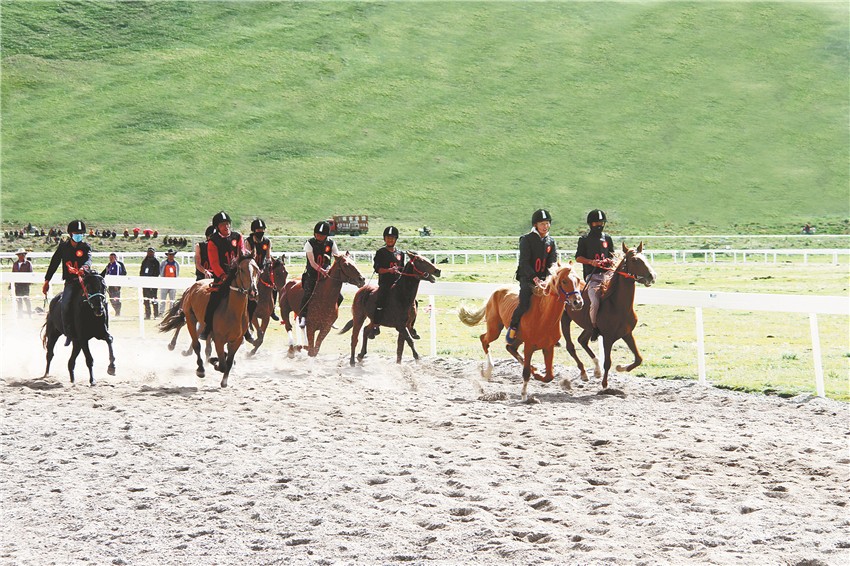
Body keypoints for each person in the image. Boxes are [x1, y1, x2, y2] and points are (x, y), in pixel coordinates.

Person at [506, 209, 557, 345]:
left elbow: (552, 263)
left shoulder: (551, 241)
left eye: (547, 223)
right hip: (527, 278)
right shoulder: (526, 239)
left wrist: (547, 279)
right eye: (542, 224)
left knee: (556, 302)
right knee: (524, 304)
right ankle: (513, 327)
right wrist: (535, 279)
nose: (545, 226)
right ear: (535, 225)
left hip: (545, 279)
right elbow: (524, 263)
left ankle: (551, 332)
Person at [198, 211, 249, 341]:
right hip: (222, 277)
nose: (226, 227)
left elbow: (241, 253)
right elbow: (214, 263)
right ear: (217, 227)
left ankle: (246, 329)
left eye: (227, 224)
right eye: (222, 225)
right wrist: (223, 276)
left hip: (237, 275)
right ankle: (208, 327)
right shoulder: (213, 242)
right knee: (214, 300)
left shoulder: (238, 237)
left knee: (251, 297)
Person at [42, 220, 92, 346]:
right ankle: (69, 331)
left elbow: (88, 260)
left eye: (81, 233)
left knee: (97, 299)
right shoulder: (63, 247)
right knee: (65, 304)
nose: (79, 235)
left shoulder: (85, 247)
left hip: (84, 282)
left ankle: (99, 327)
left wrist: (84, 268)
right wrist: (47, 280)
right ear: (70, 234)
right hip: (70, 282)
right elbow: (54, 263)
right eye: (76, 233)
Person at [575, 209, 615, 340]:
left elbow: (612, 255)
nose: (599, 225)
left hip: (607, 275)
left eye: (601, 223)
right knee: (595, 301)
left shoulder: (607, 238)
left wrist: (609, 261)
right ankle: (594, 327)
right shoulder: (584, 239)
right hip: (593, 276)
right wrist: (591, 262)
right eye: (596, 223)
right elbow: (578, 258)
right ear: (590, 224)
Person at [298, 221, 341, 329]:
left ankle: (330, 317)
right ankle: (303, 317)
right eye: (317, 234)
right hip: (312, 274)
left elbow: (337, 257)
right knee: (308, 294)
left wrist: (340, 260)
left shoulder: (331, 243)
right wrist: (321, 270)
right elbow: (312, 262)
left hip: (326, 275)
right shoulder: (309, 243)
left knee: (339, 296)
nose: (319, 237)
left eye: (321, 235)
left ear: (326, 235)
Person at [366, 226, 404, 339]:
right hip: (386, 283)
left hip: (398, 283)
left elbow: (402, 268)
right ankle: (376, 324)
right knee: (381, 300)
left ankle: (410, 325)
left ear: (396, 239)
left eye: (392, 238)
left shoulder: (400, 253)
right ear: (384, 239)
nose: (390, 240)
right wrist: (389, 270)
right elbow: (378, 269)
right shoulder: (380, 252)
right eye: (388, 238)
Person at [244, 218, 275, 321]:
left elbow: (268, 257)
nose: (260, 231)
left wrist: (267, 266)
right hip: (251, 269)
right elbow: (249, 258)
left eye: (262, 229)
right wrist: (256, 270)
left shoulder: (267, 241)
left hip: (262, 267)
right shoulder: (248, 242)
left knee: (273, 285)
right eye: (258, 230)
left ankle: (272, 309)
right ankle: (246, 307)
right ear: (254, 230)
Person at [12, 248, 33, 318]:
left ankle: (29, 314)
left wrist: (28, 282)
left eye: (23, 254)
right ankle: (20, 315)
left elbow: (30, 273)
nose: (22, 256)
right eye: (20, 255)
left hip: (25, 285)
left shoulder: (28, 263)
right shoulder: (15, 264)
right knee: (19, 300)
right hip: (17, 285)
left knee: (26, 299)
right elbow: (13, 273)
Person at [140, 247, 161, 319]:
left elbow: (157, 272)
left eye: (151, 252)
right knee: (146, 299)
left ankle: (156, 314)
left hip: (153, 283)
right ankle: (147, 314)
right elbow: (141, 271)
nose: (150, 253)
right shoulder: (144, 261)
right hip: (145, 283)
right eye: (149, 252)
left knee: (154, 298)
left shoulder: (156, 262)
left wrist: (152, 280)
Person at [159, 248, 180, 313]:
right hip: (164, 282)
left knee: (172, 300)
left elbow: (177, 273)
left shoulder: (176, 263)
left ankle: (171, 312)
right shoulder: (163, 263)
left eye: (172, 254)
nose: (171, 256)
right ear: (167, 255)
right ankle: (161, 312)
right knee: (163, 299)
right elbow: (161, 271)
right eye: (170, 254)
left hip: (173, 283)